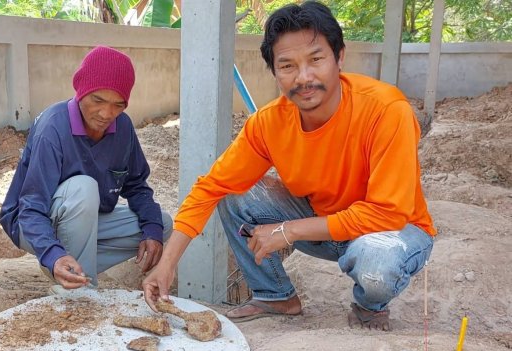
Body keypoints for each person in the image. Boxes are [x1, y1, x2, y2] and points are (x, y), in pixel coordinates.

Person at [142, 1, 436, 331]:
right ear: (274, 72)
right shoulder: (269, 123)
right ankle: (274, 295)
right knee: (232, 193)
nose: (304, 77)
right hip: (326, 223)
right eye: (287, 66)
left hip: (390, 232)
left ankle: (370, 306)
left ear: (339, 56)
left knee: (377, 262)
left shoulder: (386, 110)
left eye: (315, 59)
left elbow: (387, 214)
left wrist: (288, 231)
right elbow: (211, 188)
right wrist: (167, 264)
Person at [0, 45, 172, 289]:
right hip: (32, 222)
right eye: (97, 100)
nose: (106, 113)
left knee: (161, 224)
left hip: (86, 221)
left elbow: (136, 186)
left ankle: (69, 270)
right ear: (80, 91)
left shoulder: (123, 127)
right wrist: (51, 251)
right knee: (83, 187)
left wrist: (152, 229)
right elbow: (31, 206)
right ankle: (79, 291)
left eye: (118, 104)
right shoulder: (53, 129)